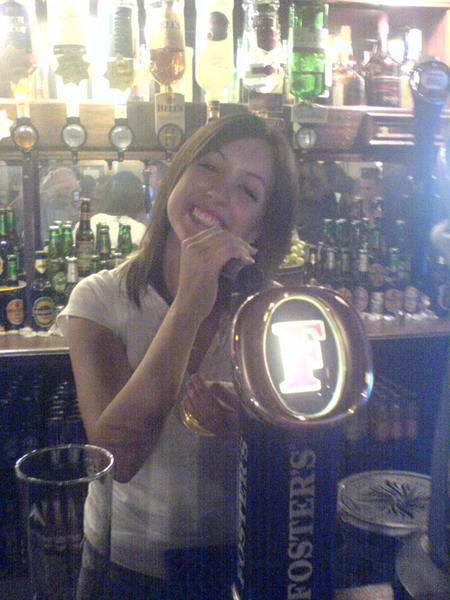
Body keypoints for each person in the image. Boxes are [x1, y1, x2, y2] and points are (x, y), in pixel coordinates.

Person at [57, 112, 299, 599]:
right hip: (124, 563)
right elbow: (117, 458)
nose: (218, 193)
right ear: (177, 174)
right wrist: (191, 303)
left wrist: (253, 426)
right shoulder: (98, 299)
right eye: (208, 166)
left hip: (240, 556)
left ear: (258, 230)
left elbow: (302, 462)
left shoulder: (274, 313)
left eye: (247, 190)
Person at [74, 171, 147, 247]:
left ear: (106, 195)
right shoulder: (140, 231)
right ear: (138, 199)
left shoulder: (83, 228)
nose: (95, 196)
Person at [39, 166, 81, 242]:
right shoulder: (45, 206)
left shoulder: (78, 202)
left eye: (72, 186)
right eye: (66, 187)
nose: (69, 191)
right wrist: (55, 189)